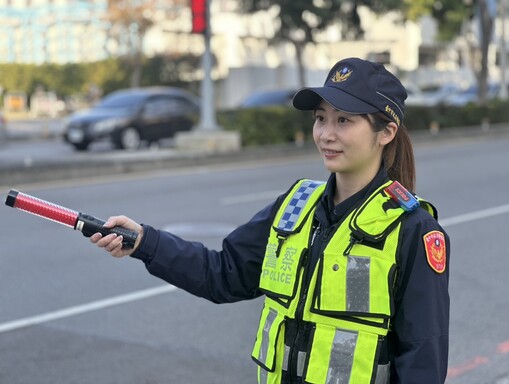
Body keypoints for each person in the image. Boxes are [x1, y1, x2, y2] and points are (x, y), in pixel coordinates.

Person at [91, 57, 450, 384]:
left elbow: (423, 365)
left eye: (344, 120)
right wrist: (144, 241)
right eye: (320, 118)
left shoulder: (413, 231)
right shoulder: (295, 206)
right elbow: (224, 274)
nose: (326, 134)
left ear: (385, 132)